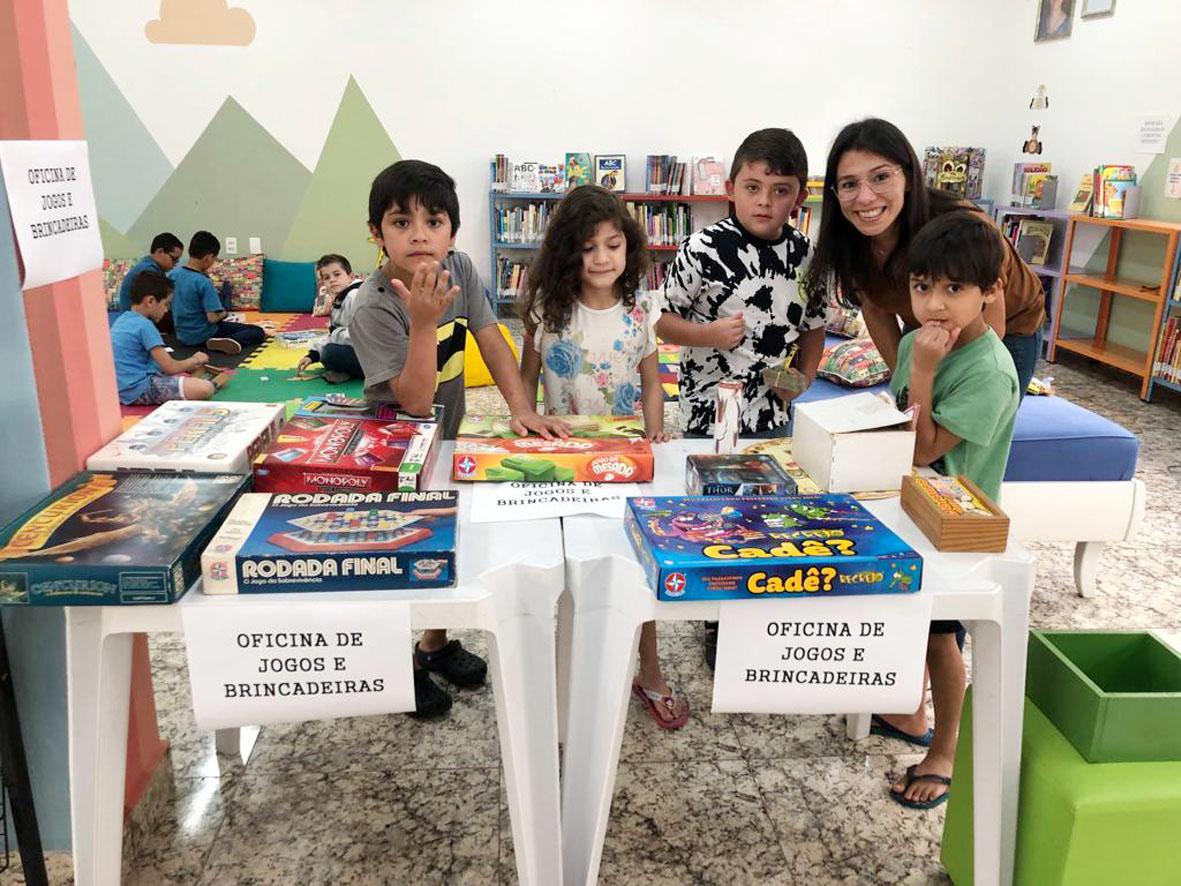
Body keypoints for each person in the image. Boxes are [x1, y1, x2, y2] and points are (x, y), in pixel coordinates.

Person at [349, 159, 569, 718]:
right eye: (401, 222)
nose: (419, 234)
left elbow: (492, 339)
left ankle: (433, 644)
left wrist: (523, 409)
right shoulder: (371, 306)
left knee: (441, 544)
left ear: (453, 229)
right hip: (392, 457)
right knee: (400, 557)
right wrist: (423, 322)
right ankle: (393, 666)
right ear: (377, 233)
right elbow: (414, 403)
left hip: (444, 444)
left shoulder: (462, 270)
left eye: (434, 221)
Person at [656, 128, 827, 670]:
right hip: (711, 410)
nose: (765, 202)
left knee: (768, 513)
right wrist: (708, 336)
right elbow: (660, 320)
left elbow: (816, 329)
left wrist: (800, 380)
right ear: (731, 188)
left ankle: (756, 614)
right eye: (753, 187)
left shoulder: (807, 254)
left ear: (800, 195)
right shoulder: (703, 249)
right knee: (716, 512)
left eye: (781, 190)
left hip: (773, 415)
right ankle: (717, 617)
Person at [519, 185, 687, 729]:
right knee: (564, 571)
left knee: (638, 564)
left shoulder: (641, 309)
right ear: (568, 252)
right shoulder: (548, 309)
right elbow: (524, 380)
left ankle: (650, 667)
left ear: (629, 248)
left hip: (623, 459)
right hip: (561, 462)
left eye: (613, 245)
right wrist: (519, 423)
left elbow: (653, 382)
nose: (602, 258)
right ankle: (557, 668)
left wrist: (655, 433)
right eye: (588, 248)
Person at [885, 210, 1020, 810]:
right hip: (905, 507)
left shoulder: (990, 369)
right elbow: (893, 423)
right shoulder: (918, 339)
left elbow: (923, 446)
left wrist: (923, 371)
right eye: (922, 287)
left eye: (954, 289)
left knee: (942, 634)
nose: (935, 304)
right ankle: (909, 710)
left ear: (990, 292)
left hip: (955, 526)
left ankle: (946, 746)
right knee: (906, 614)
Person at [807, 117, 1045, 399]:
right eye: (849, 184)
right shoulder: (850, 239)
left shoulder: (962, 227)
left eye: (881, 177)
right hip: (927, 320)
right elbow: (874, 308)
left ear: (907, 177)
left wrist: (951, 387)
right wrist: (907, 383)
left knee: (972, 427)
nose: (865, 197)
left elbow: (990, 331)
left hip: (1005, 327)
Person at [110, 270, 215, 405]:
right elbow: (170, 367)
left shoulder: (123, 319)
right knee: (206, 388)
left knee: (185, 374)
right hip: (138, 390)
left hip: (119, 389)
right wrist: (195, 360)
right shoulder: (144, 326)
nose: (166, 310)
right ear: (151, 301)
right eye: (166, 304)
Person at [169, 230, 266, 355]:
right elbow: (213, 317)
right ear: (208, 258)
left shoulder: (173, 275)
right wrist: (224, 313)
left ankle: (220, 341)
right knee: (257, 331)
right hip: (205, 334)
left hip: (183, 336)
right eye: (214, 259)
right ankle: (230, 340)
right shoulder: (203, 281)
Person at [297, 253, 364, 383]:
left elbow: (358, 335)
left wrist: (333, 337)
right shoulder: (340, 298)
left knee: (331, 353)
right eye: (327, 277)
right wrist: (313, 355)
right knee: (328, 352)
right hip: (361, 352)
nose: (332, 280)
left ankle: (355, 373)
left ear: (350, 277)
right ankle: (347, 372)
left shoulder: (354, 296)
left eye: (337, 274)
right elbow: (335, 331)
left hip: (375, 356)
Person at [116, 232, 184, 336]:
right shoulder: (150, 273)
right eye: (174, 259)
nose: (175, 264)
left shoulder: (147, 266)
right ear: (160, 252)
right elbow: (153, 307)